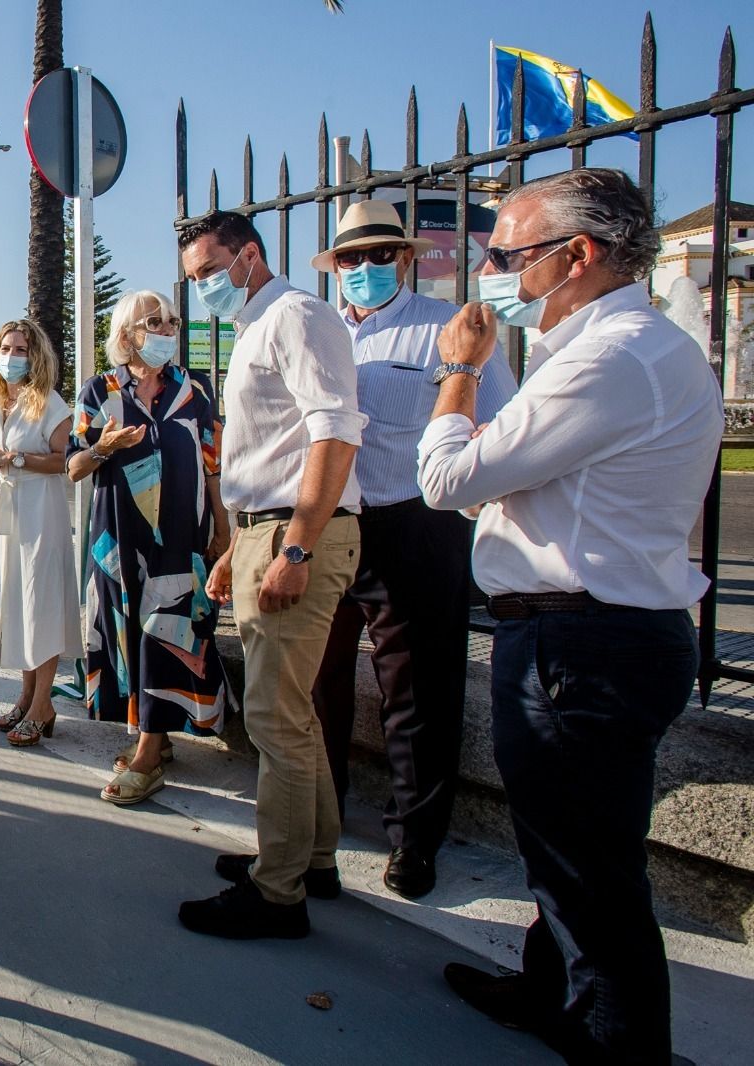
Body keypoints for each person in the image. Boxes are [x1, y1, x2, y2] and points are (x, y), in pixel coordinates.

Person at [417, 168, 720, 1065]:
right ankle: (546, 987)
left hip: (580, 643)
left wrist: (459, 372)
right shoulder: (635, 349)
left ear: (577, 254)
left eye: (507, 255)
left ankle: (615, 1042)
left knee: (589, 874)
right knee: (575, 848)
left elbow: (447, 479)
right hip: (602, 633)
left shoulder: (609, 358)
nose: (490, 274)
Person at [307, 200, 518, 900]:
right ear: (334, 267)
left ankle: (416, 840)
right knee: (316, 680)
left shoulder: (449, 329)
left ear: (404, 257)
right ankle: (321, 816)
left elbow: (501, 424)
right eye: (350, 258)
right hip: (331, 521)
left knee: (418, 690)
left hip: (416, 522)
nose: (363, 268)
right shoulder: (322, 333)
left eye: (378, 255)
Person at [174, 209, 365, 940]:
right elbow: (270, 453)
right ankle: (310, 859)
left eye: (209, 271)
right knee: (292, 713)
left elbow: (333, 433)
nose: (203, 288)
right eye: (194, 278)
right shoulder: (257, 325)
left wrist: (296, 548)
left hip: (296, 532)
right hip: (269, 529)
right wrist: (239, 547)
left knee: (274, 719)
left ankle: (277, 891)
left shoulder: (296, 316)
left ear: (249, 255)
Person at [68, 290, 232, 803]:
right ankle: (152, 738)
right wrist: (103, 447)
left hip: (182, 535)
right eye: (153, 322)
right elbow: (73, 466)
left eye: (171, 321)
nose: (166, 330)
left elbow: (213, 464)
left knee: (169, 628)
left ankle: (147, 753)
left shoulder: (195, 389)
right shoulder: (100, 391)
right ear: (127, 333)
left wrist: (223, 527)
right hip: (120, 539)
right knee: (130, 631)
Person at [0, 320, 82, 748]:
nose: (11, 356)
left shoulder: (50, 403)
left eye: (20, 349)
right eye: (5, 348)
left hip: (40, 513)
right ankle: (25, 696)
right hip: (7, 513)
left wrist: (15, 459)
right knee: (16, 604)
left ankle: (43, 705)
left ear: (35, 356)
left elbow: (62, 460)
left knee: (41, 605)